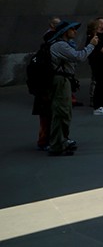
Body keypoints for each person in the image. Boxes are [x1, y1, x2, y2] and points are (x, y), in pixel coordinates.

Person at [48, 21, 99, 156]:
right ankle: (57, 145)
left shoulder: (64, 44)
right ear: (65, 32)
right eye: (72, 29)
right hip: (61, 80)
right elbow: (79, 56)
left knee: (65, 111)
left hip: (64, 79)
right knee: (61, 112)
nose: (75, 32)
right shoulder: (60, 45)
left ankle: (62, 140)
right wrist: (91, 45)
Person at [32, 17, 61, 150]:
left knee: (46, 117)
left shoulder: (41, 54)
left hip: (43, 89)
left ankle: (46, 140)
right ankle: (45, 141)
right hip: (45, 89)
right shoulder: (46, 56)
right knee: (47, 116)